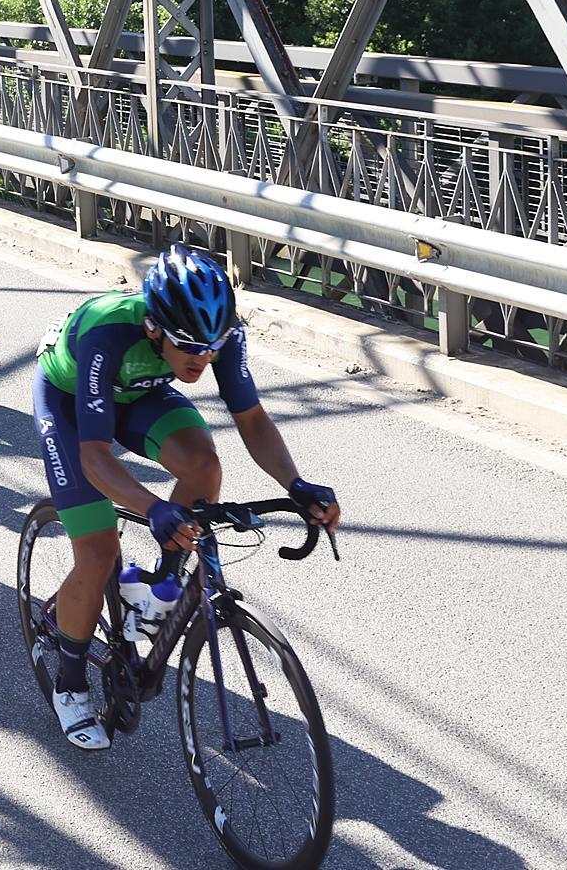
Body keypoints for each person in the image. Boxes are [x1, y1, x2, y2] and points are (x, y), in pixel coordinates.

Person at [30, 244, 341, 750]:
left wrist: (297, 486)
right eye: (189, 346)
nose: (202, 358)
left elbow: (253, 421)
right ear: (155, 327)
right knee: (98, 551)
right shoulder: (110, 333)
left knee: (203, 464)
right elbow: (94, 457)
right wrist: (153, 508)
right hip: (70, 401)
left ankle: (158, 588)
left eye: (212, 347)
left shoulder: (219, 337)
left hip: (139, 390)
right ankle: (69, 682)